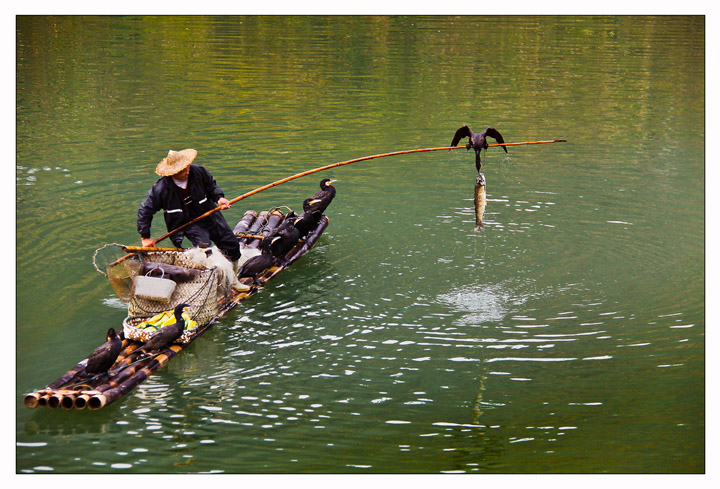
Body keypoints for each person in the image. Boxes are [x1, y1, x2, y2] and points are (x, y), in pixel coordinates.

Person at [137, 148, 241, 265]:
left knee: (231, 244)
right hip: (188, 223)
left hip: (210, 214)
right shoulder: (161, 189)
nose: (187, 172)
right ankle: (213, 273)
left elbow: (211, 186)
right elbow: (145, 210)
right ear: (173, 173)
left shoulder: (198, 171)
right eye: (183, 171)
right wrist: (145, 237)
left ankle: (234, 275)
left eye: (188, 167)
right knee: (205, 250)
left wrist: (219, 198)